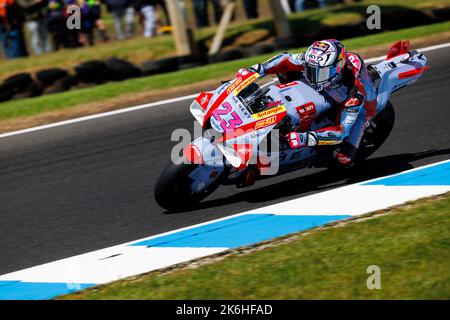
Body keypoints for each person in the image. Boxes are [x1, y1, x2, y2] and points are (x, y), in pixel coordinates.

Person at [239, 39, 378, 166]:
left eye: (319, 74)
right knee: (285, 71)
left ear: (336, 70)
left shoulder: (356, 93)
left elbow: (341, 131)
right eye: (310, 71)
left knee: (344, 158)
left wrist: (305, 138)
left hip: (363, 104)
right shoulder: (314, 60)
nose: (313, 77)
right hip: (325, 89)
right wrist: (257, 70)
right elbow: (285, 59)